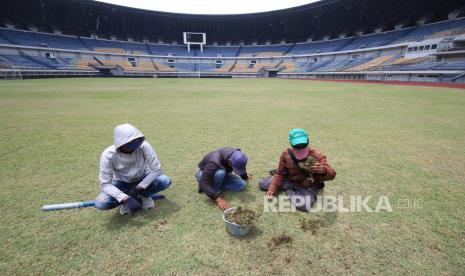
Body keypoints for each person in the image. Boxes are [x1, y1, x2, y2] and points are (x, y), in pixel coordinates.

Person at [94, 123, 171, 215]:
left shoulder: (144, 146)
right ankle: (126, 200)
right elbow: (105, 184)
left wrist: (138, 188)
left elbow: (156, 170)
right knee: (101, 203)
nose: (136, 145)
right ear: (121, 143)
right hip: (121, 182)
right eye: (131, 142)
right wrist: (125, 198)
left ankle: (144, 195)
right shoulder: (108, 155)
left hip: (143, 177)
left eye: (137, 140)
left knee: (165, 181)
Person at [260, 128, 336, 212]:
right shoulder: (286, 154)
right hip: (289, 179)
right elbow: (280, 173)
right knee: (263, 185)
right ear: (291, 142)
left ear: (307, 140)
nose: (300, 146)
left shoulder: (317, 155)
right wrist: (272, 189)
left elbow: (332, 175)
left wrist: (324, 171)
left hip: (306, 186)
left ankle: (288, 190)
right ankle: (288, 186)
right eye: (297, 144)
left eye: (302, 144)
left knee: (304, 205)